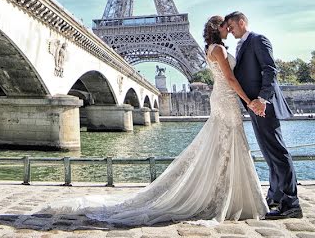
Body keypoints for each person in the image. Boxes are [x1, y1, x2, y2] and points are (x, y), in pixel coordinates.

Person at [37, 15, 267, 226]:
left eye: (230, 26)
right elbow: (229, 78)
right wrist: (248, 100)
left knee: (223, 145)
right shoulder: (218, 49)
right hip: (226, 99)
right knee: (227, 143)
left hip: (222, 98)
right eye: (226, 26)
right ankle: (228, 195)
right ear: (219, 29)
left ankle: (222, 191)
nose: (229, 29)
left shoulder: (211, 49)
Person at [223, 11, 301, 219]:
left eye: (231, 27)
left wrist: (262, 99)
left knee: (277, 151)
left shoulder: (258, 40)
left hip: (263, 105)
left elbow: (270, 69)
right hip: (255, 106)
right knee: (269, 153)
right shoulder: (242, 44)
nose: (229, 32)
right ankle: (275, 196)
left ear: (242, 22)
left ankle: (291, 203)